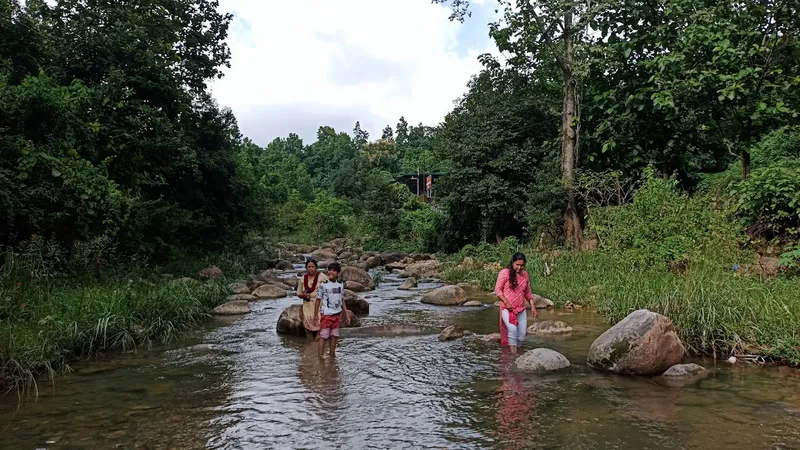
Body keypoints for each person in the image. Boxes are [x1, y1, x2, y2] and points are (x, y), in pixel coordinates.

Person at [494, 252, 538, 354]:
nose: (519, 267)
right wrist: (506, 302)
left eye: (522, 265)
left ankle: (517, 353)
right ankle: (513, 355)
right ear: (512, 263)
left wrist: (533, 306)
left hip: (521, 308)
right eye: (517, 265)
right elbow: (498, 290)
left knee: (522, 334)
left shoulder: (525, 275)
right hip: (507, 308)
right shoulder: (504, 273)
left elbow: (527, 292)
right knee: (513, 330)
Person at [315, 262, 350, 357]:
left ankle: (332, 354)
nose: (331, 272)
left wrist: (346, 313)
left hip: (337, 314)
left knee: (334, 335)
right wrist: (315, 315)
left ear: (338, 273)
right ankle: (320, 356)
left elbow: (342, 300)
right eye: (330, 270)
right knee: (324, 336)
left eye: (334, 270)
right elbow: (318, 300)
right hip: (327, 314)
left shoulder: (340, 285)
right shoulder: (324, 285)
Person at [297, 259, 327, 340]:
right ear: (306, 268)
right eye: (309, 267)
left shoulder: (322, 277)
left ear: (316, 267)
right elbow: (298, 293)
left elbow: (329, 290)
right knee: (308, 332)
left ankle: (318, 350)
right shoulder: (303, 279)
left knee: (319, 332)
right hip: (308, 307)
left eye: (312, 266)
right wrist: (304, 295)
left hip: (320, 306)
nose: (311, 268)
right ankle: (309, 350)